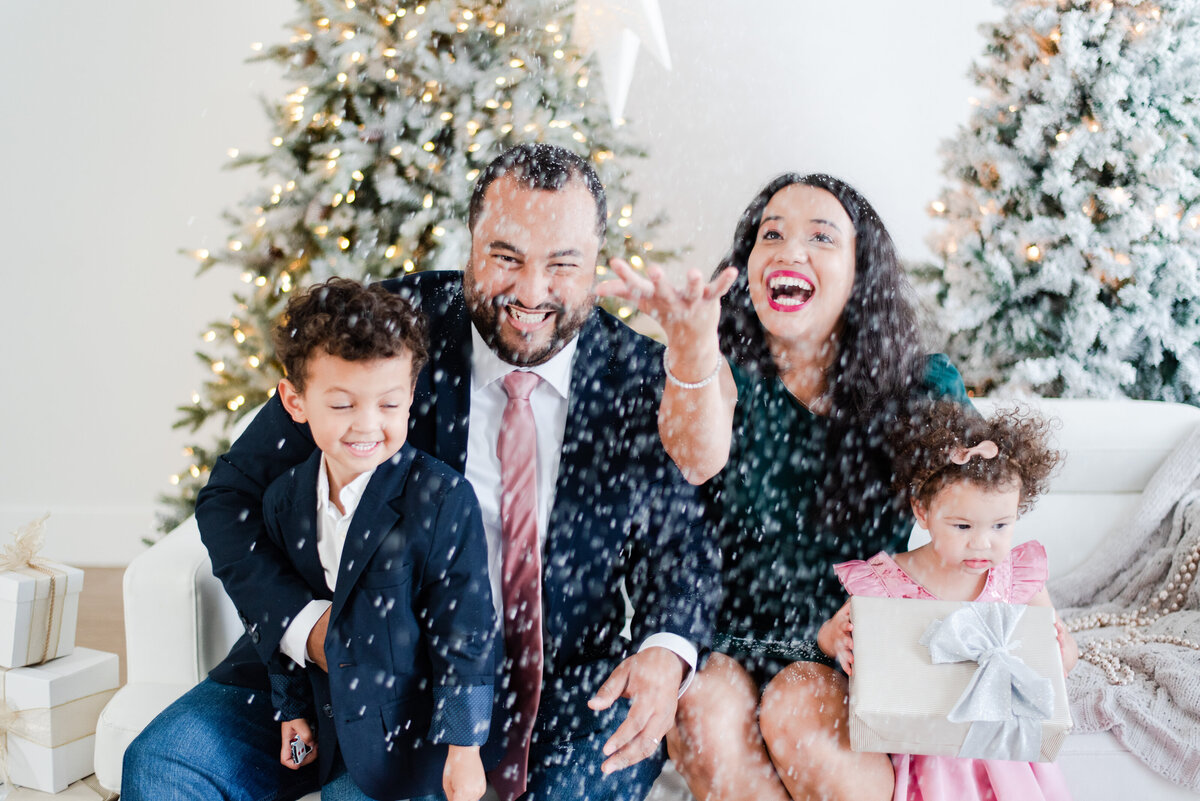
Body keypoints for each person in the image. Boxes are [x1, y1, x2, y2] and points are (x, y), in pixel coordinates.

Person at [121, 143, 718, 801]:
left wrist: (667, 650)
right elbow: (232, 497)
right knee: (162, 768)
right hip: (338, 670)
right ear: (470, 244)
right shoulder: (388, 331)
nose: (531, 291)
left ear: (598, 261)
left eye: (562, 264)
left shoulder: (639, 375)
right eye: (506, 256)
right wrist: (307, 630)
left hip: (558, 690)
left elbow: (686, 544)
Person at [600, 173, 968, 801]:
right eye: (771, 234)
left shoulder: (921, 388)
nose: (789, 250)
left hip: (848, 647)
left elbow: (976, 514)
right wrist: (690, 349)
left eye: (821, 237)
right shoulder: (714, 373)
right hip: (728, 639)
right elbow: (693, 457)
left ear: (861, 276)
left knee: (798, 712)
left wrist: (1017, 603)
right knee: (703, 711)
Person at [259, 278, 496, 801]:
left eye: (389, 405)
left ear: (411, 395)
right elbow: (283, 620)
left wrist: (465, 751)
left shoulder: (443, 499)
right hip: (327, 718)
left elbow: (467, 633)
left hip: (408, 739)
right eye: (342, 405)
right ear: (295, 402)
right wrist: (292, 710)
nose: (368, 426)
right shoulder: (282, 501)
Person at [821, 400, 1078, 801]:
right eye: (962, 526)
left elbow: (1054, 659)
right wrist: (836, 639)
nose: (982, 542)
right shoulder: (888, 580)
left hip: (1001, 745)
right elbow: (833, 635)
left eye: (1000, 525)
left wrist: (1060, 648)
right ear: (922, 511)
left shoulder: (1015, 576)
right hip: (925, 743)